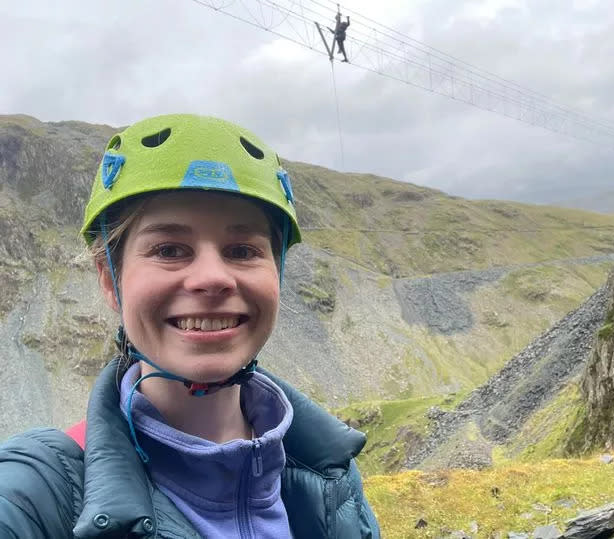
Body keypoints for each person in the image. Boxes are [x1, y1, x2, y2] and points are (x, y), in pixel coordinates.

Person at [0, 114, 380, 538]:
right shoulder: (34, 494)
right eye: (168, 249)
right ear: (110, 279)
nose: (212, 278)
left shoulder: (330, 472)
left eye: (242, 249)